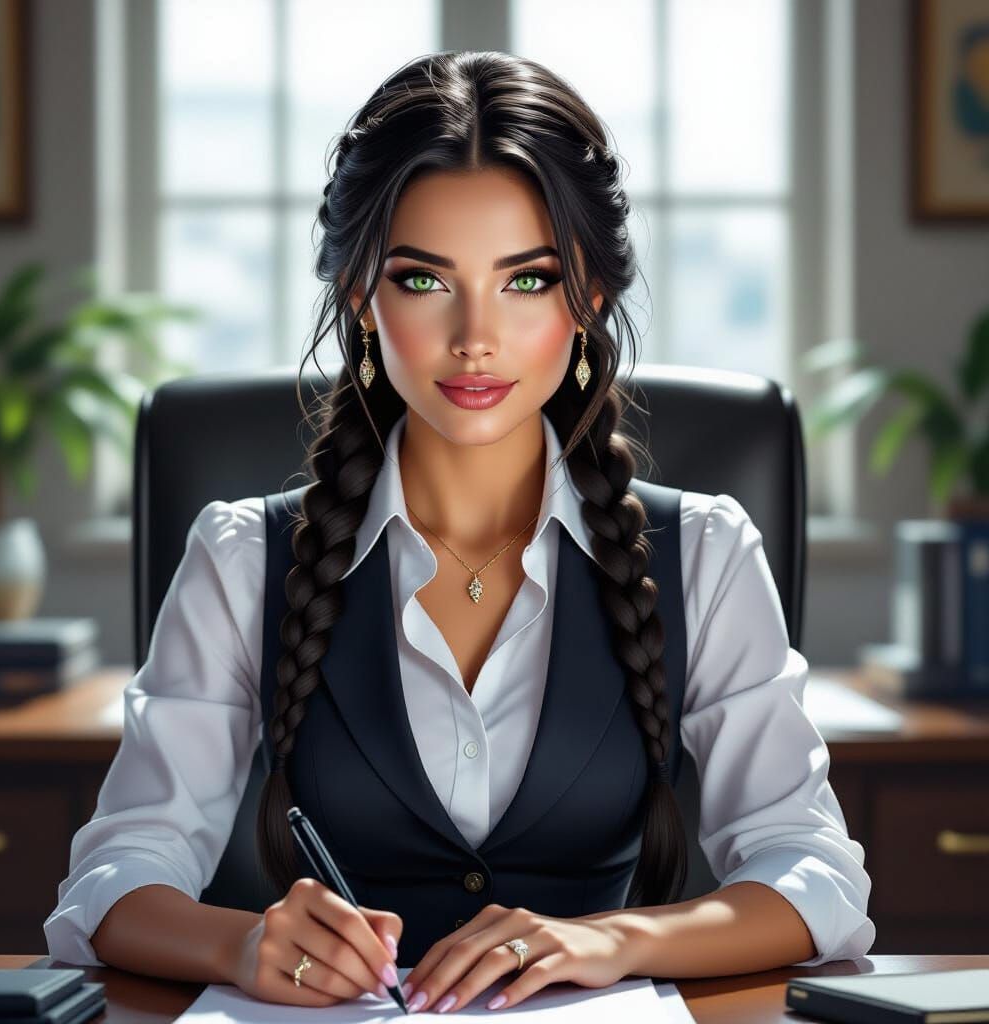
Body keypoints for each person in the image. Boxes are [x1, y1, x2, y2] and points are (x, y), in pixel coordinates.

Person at [44, 49, 875, 1013]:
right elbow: (108, 882)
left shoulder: (706, 555)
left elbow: (816, 878)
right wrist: (242, 945)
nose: (474, 335)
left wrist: (609, 939)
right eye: (423, 280)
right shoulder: (241, 559)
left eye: (526, 281)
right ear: (360, 295)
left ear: (590, 299)